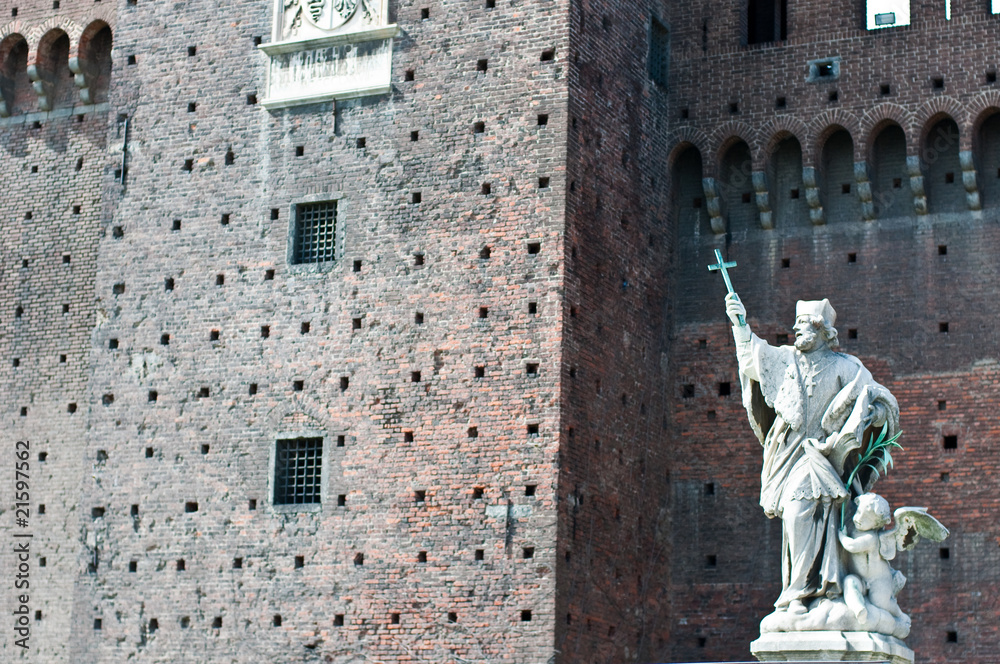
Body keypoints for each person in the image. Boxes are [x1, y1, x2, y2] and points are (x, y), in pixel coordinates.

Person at [725, 293, 899, 616]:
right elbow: (752, 357)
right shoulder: (785, 359)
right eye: (797, 325)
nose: (797, 330)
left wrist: (872, 414)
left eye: (805, 326)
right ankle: (807, 589)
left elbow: (878, 397)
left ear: (823, 332)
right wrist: (738, 323)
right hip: (789, 454)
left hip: (825, 457)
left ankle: (803, 592)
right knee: (796, 515)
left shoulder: (845, 368)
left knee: (801, 507)